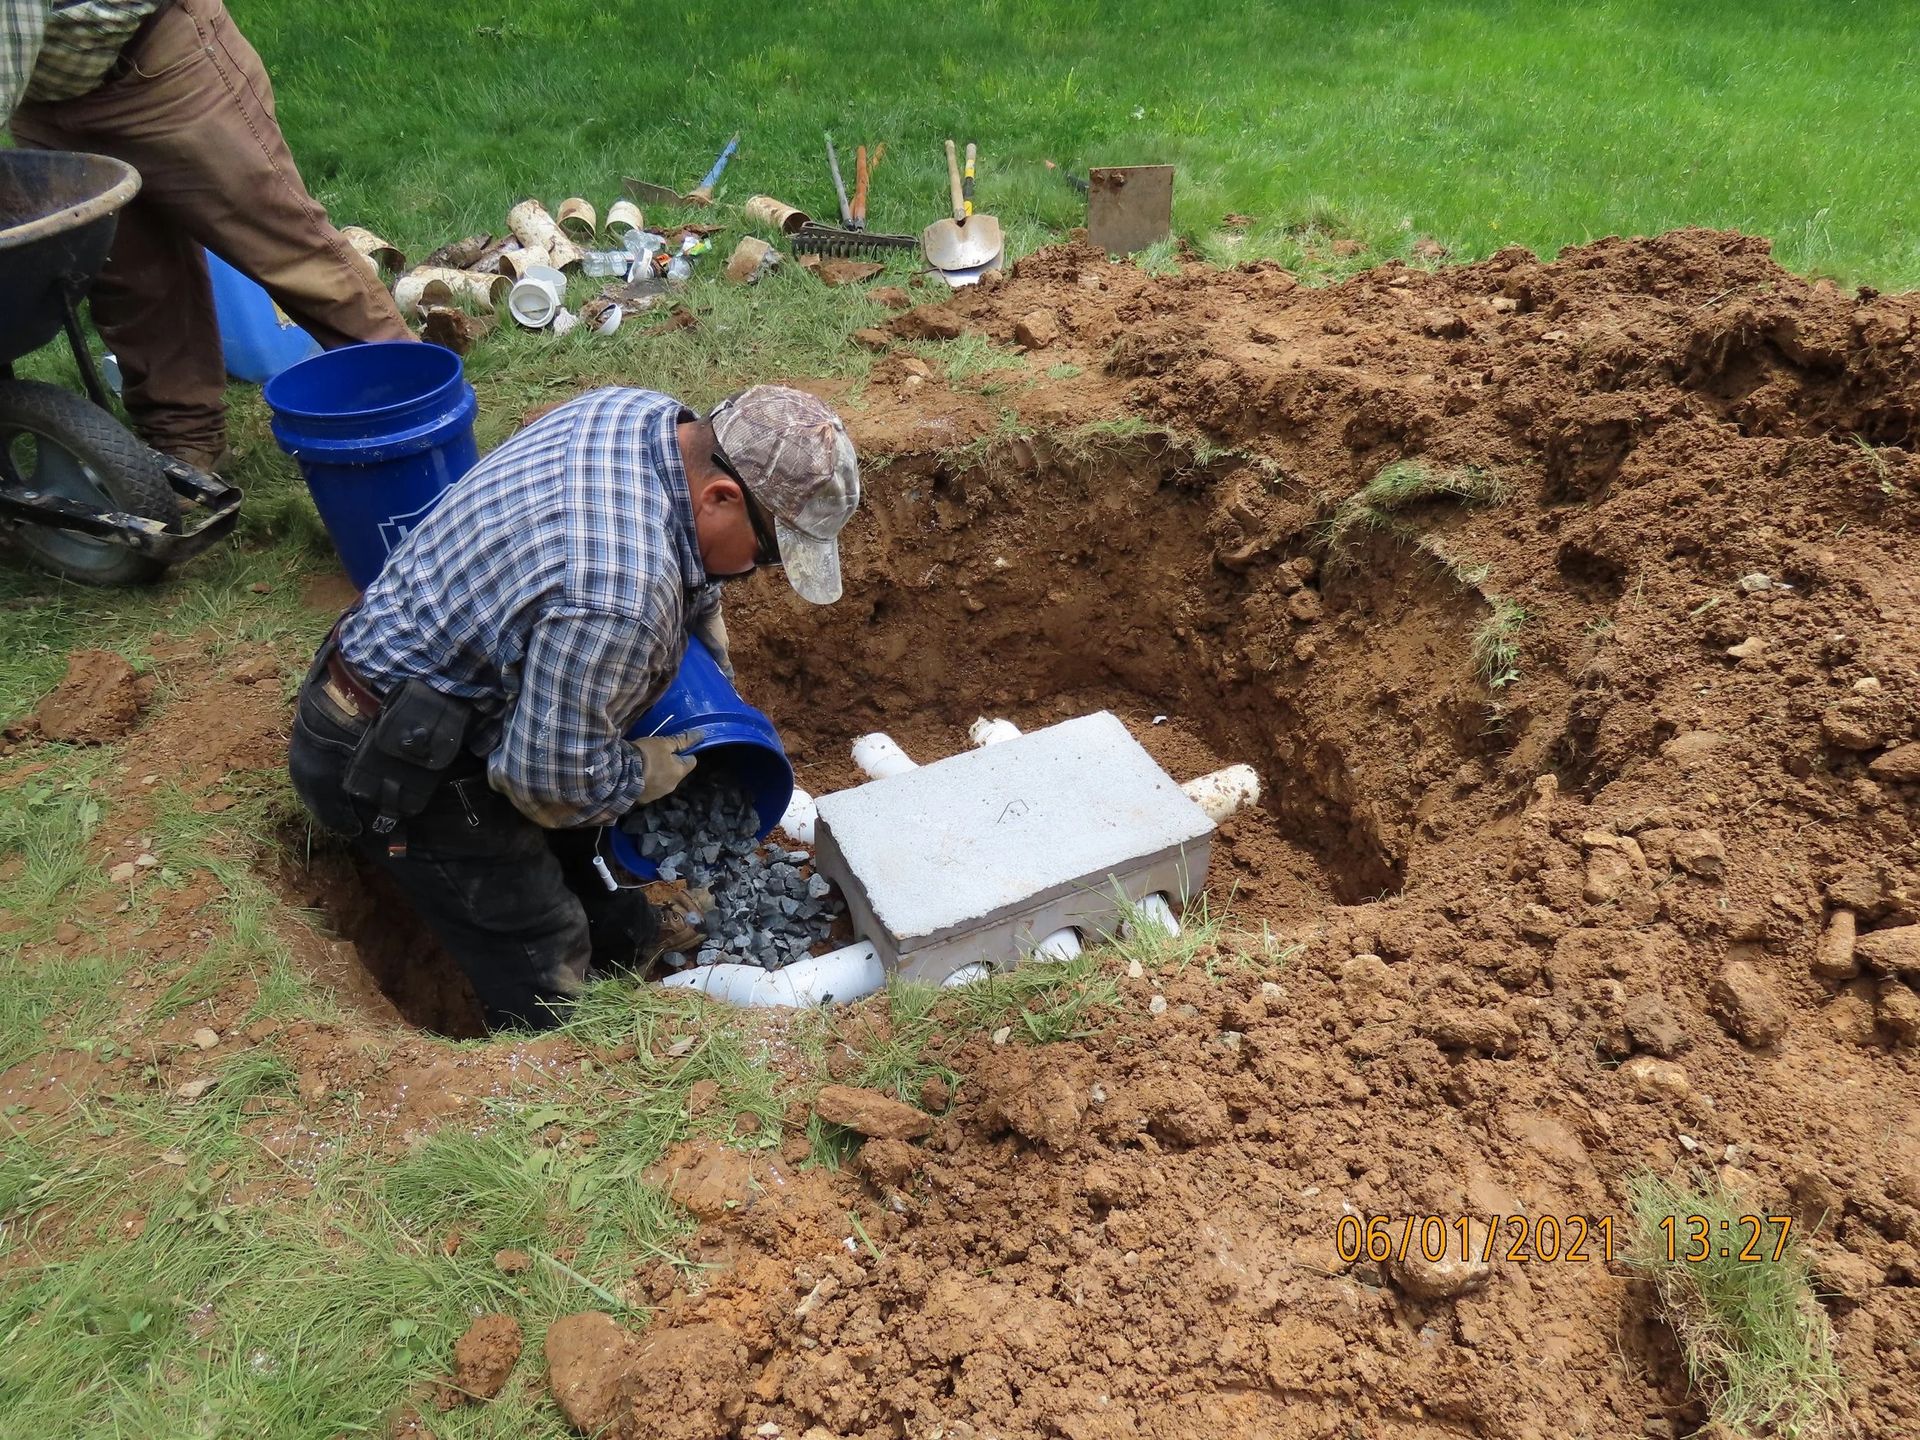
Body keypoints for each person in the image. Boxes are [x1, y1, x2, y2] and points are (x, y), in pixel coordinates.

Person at [287, 385, 861, 1032]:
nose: (759, 569)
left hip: (422, 668)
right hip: (385, 755)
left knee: (574, 847)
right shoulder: (619, 594)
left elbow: (678, 555)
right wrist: (640, 774)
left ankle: (623, 933)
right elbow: (546, 786)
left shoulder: (643, 415)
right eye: (766, 553)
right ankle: (554, 1063)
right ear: (721, 498)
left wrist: (702, 621)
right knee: (541, 938)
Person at [2, 0, 412, 474]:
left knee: (287, 250)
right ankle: (186, 444)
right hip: (45, 96)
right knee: (131, 283)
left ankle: (412, 406)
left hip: (158, 67)